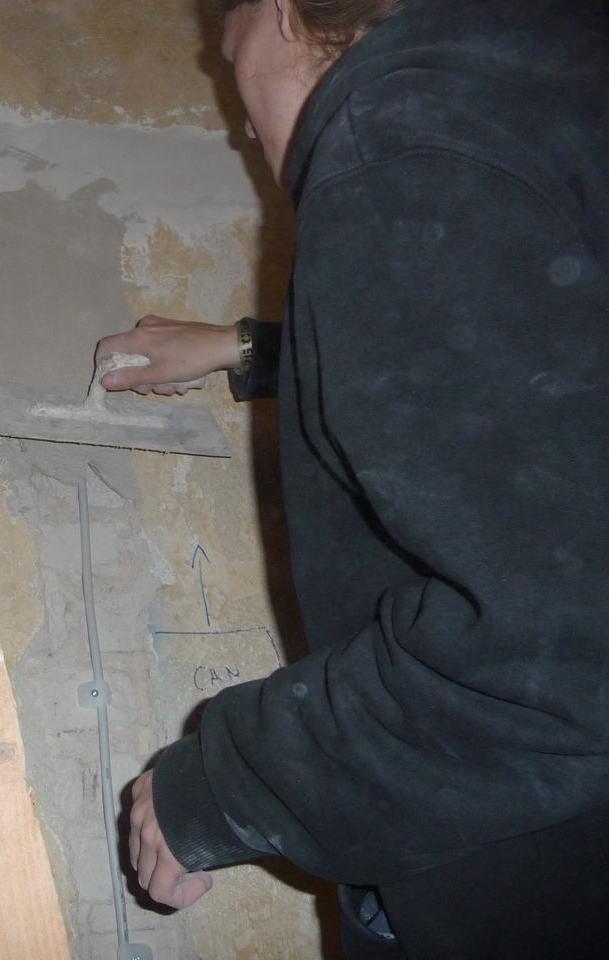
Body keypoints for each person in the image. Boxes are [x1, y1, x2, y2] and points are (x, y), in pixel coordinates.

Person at [102, 0, 609, 957]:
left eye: (231, 65)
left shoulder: (405, 141)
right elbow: (549, 388)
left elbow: (557, 663)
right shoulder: (550, 89)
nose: (243, 129)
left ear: (283, 11)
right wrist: (255, 351)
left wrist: (222, 785)